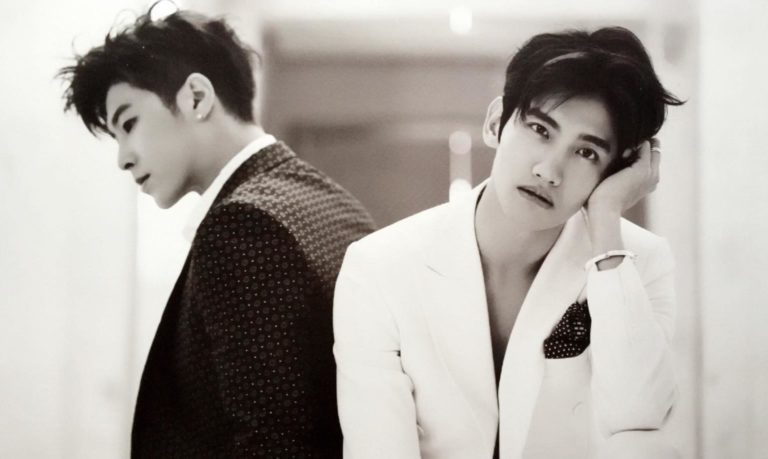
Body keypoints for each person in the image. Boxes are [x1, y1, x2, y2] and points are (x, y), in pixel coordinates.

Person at [333, 27, 683, 459]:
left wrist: (607, 220)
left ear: (613, 172)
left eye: (587, 153)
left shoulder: (639, 260)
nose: (549, 171)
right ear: (495, 123)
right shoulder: (378, 266)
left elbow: (640, 414)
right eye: (540, 129)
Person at [58, 5, 375, 457]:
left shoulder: (243, 225)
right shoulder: (332, 200)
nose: (123, 157)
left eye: (129, 124)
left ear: (196, 98)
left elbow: (273, 443)